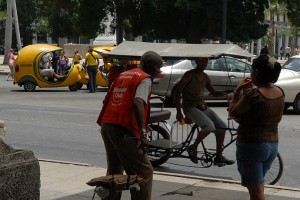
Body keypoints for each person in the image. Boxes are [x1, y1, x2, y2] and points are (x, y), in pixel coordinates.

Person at [97, 51, 163, 200]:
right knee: (144, 172)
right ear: (151, 66)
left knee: (114, 171)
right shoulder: (144, 79)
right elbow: (138, 102)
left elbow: (106, 101)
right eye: (158, 68)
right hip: (122, 130)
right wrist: (143, 132)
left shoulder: (124, 75)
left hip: (107, 125)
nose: (158, 72)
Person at [229, 55, 284, 200]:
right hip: (272, 146)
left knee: (257, 194)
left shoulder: (254, 94)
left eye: (252, 70)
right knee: (258, 188)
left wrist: (237, 91)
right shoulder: (280, 92)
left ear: (257, 73)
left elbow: (233, 112)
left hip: (251, 146)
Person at [174, 57, 234, 165]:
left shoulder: (205, 77)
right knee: (209, 126)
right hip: (190, 107)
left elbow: (213, 92)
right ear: (196, 62)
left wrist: (226, 92)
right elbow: (177, 92)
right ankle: (192, 147)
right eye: (201, 61)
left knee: (222, 127)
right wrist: (179, 112)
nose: (204, 63)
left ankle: (218, 156)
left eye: (205, 61)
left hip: (202, 106)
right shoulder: (189, 75)